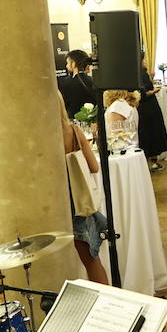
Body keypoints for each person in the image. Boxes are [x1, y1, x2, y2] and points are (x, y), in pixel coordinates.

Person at [59, 93, 109, 284]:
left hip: (54, 204)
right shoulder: (73, 131)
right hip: (78, 202)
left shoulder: (38, 136)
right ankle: (107, 305)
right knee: (91, 260)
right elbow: (94, 167)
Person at [136, 54, 167, 171]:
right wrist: (153, 91)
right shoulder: (141, 74)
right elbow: (143, 93)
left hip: (145, 108)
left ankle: (150, 161)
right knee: (152, 133)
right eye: (144, 59)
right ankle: (153, 162)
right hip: (148, 107)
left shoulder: (139, 73)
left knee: (148, 133)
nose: (145, 61)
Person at [58, 49, 97, 119]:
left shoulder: (65, 84)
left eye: (67, 63)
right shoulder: (95, 81)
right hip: (94, 121)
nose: (66, 66)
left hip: (73, 122)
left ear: (73, 64)